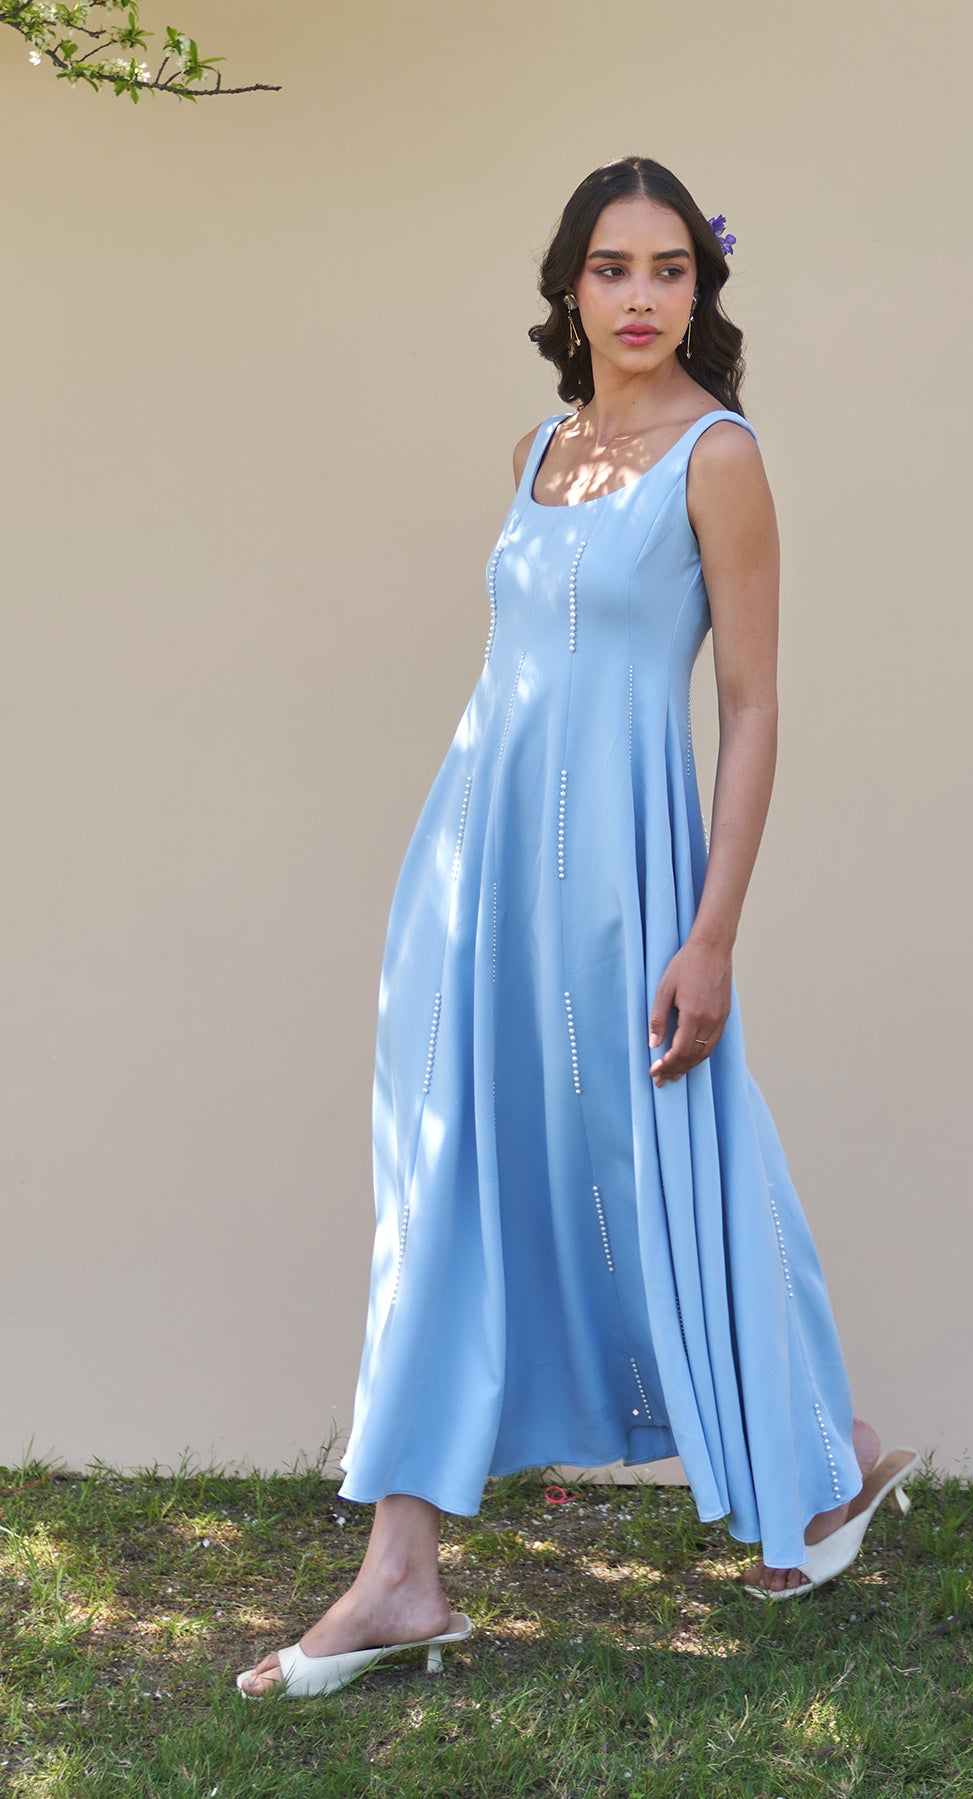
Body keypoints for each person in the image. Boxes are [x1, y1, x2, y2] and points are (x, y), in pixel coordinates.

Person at [236, 156, 918, 1701]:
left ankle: (823, 1454)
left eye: (670, 269)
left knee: (680, 1151)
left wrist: (713, 933)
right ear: (568, 287)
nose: (640, 296)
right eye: (613, 268)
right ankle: (400, 1571)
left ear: (701, 289)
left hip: (628, 880)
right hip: (470, 869)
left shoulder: (718, 459)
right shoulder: (540, 449)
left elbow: (748, 708)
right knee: (445, 1177)